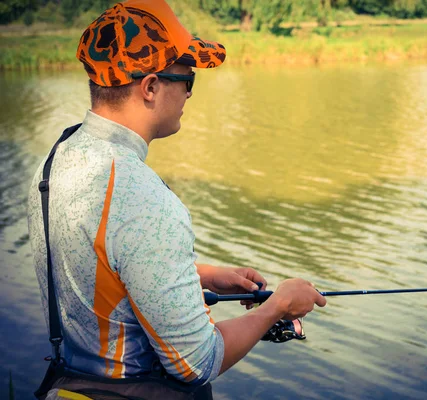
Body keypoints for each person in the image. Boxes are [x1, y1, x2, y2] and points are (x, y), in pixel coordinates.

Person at [27, 0, 326, 398]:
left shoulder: (55, 162)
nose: (188, 93)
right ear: (150, 87)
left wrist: (199, 273)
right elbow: (196, 364)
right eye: (187, 79)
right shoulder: (144, 200)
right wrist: (279, 306)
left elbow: (95, 258)